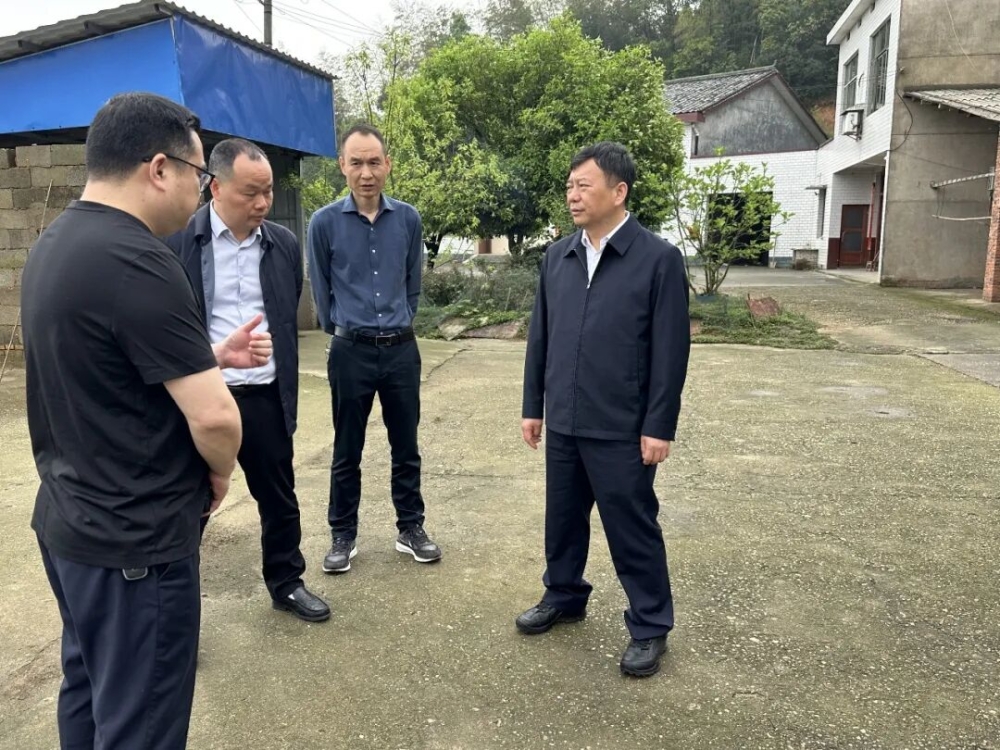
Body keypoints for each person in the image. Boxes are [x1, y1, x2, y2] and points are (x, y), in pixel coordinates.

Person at [21, 93, 251, 748]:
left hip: (71, 523)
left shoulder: (56, 243)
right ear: (158, 168)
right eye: (200, 175)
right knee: (141, 723)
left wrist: (210, 355)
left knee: (91, 693)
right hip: (136, 545)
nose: (202, 191)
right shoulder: (139, 259)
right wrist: (217, 474)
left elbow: (107, 365)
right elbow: (216, 418)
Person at [516, 142, 691, 678]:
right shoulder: (558, 257)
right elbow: (541, 338)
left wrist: (658, 425)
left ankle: (650, 623)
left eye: (583, 185)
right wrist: (533, 407)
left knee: (631, 527)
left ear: (619, 192)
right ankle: (564, 595)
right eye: (569, 186)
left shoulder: (657, 259)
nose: (572, 195)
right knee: (562, 521)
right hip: (565, 419)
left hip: (622, 427)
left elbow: (670, 352)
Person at [166, 138, 330, 623]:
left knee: (279, 497)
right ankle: (176, 609)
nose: (262, 203)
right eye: (250, 193)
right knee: (190, 503)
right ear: (215, 188)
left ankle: (287, 582)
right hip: (202, 393)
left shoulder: (283, 244)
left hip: (263, 394)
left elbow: (286, 310)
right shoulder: (178, 241)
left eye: (269, 192)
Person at [307, 123, 441, 573]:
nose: (366, 173)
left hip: (401, 350)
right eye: (357, 163)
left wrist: (398, 323)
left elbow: (413, 285)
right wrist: (345, 330)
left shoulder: (408, 219)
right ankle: (342, 534)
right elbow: (321, 292)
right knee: (347, 449)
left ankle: (411, 527)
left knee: (407, 446)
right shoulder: (324, 223)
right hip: (351, 351)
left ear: (388, 165)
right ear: (342, 166)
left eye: (374, 162)